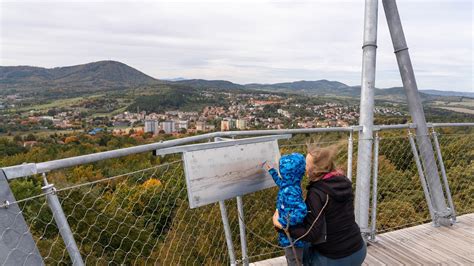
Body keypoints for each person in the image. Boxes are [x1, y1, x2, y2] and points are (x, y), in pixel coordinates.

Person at [272, 145, 366, 266]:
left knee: (303, 251)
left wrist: (282, 227)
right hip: (359, 250)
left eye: (306, 165)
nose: (304, 169)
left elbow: (311, 234)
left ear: (315, 170)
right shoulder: (343, 181)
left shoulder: (316, 193)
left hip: (335, 258)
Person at [263, 153, 307, 266]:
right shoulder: (290, 183)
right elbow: (280, 182)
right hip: (288, 236)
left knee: (294, 261)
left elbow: (301, 212)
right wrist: (272, 171)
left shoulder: (292, 191)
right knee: (291, 259)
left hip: (293, 239)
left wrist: (282, 223)